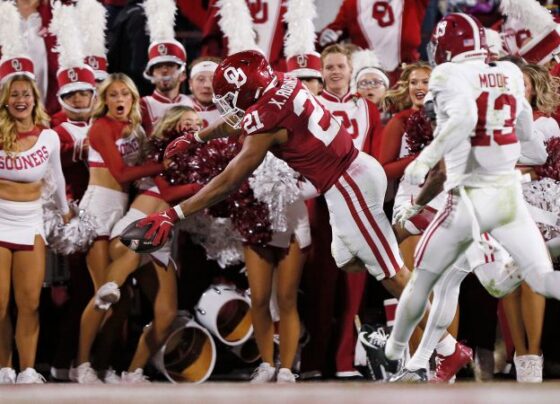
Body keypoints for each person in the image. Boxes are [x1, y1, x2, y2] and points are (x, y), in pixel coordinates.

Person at [375, 13, 560, 382]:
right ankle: (425, 362)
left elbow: (444, 165)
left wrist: (415, 204)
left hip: (469, 203)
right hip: (507, 199)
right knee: (518, 279)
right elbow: (539, 154)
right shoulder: (508, 78)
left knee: (426, 279)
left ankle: (404, 357)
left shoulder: (449, 81)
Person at [71, 73, 163, 383]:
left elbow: (139, 175)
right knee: (104, 296)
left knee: (122, 304)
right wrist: (166, 165)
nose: (119, 99)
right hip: (99, 211)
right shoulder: (99, 128)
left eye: (125, 94)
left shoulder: (135, 130)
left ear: (133, 99)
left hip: (122, 210)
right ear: (104, 100)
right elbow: (122, 173)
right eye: (113, 95)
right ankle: (80, 365)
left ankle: (100, 365)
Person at [0, 73, 71, 384]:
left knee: (29, 302)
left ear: (34, 99)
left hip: (31, 223)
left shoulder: (49, 137)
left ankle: (28, 370)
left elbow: (56, 180)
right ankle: (4, 368)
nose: (20, 100)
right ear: (5, 100)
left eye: (25, 94)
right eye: (13, 94)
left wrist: (67, 214)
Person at [502, 63, 560, 382]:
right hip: (501, 199)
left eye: (521, 84)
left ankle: (532, 355)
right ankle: (521, 353)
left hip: (534, 202)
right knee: (507, 279)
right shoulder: (495, 119)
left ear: (533, 89)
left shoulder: (545, 123)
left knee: (531, 277)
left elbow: (536, 160)